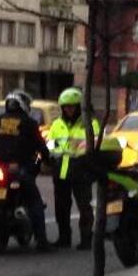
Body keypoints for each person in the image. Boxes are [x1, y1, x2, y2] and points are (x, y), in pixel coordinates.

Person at [0, 90, 53, 252]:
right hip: (18, 169)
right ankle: (41, 240)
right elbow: (40, 146)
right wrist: (47, 159)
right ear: (24, 105)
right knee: (35, 201)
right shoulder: (29, 123)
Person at [47, 88, 98, 250]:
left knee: (84, 207)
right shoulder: (57, 124)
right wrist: (49, 156)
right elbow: (50, 144)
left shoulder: (90, 123)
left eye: (72, 106)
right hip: (61, 171)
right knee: (61, 208)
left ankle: (86, 238)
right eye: (66, 106)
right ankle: (64, 237)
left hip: (81, 171)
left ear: (79, 106)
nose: (69, 109)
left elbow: (97, 144)